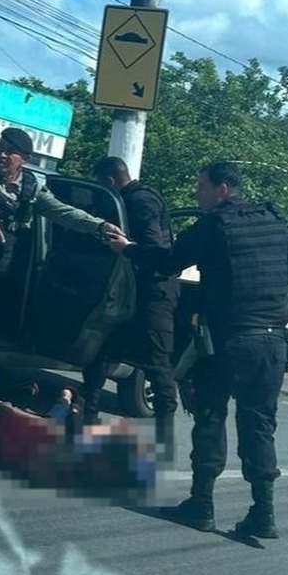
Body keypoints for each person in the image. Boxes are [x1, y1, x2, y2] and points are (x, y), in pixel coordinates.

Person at [106, 160, 288, 539]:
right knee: (259, 425)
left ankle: (201, 505)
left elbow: (167, 261)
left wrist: (128, 247)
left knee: (210, 415)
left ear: (222, 190)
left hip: (229, 341)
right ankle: (263, 513)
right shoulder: (275, 223)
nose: (197, 194)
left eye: (202, 187)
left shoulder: (215, 225)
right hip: (273, 345)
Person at [0, 128, 122, 429]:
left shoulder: (29, 188)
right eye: (0, 148)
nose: (2, 155)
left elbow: (63, 212)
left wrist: (100, 226)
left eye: (11, 151)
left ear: (24, 159)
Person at [84, 156, 180, 452]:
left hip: (156, 293)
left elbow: (157, 249)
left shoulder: (139, 201)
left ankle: (165, 434)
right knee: (101, 354)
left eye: (102, 184)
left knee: (158, 364)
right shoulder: (140, 197)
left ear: (111, 181)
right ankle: (86, 419)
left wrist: (127, 247)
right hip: (138, 293)